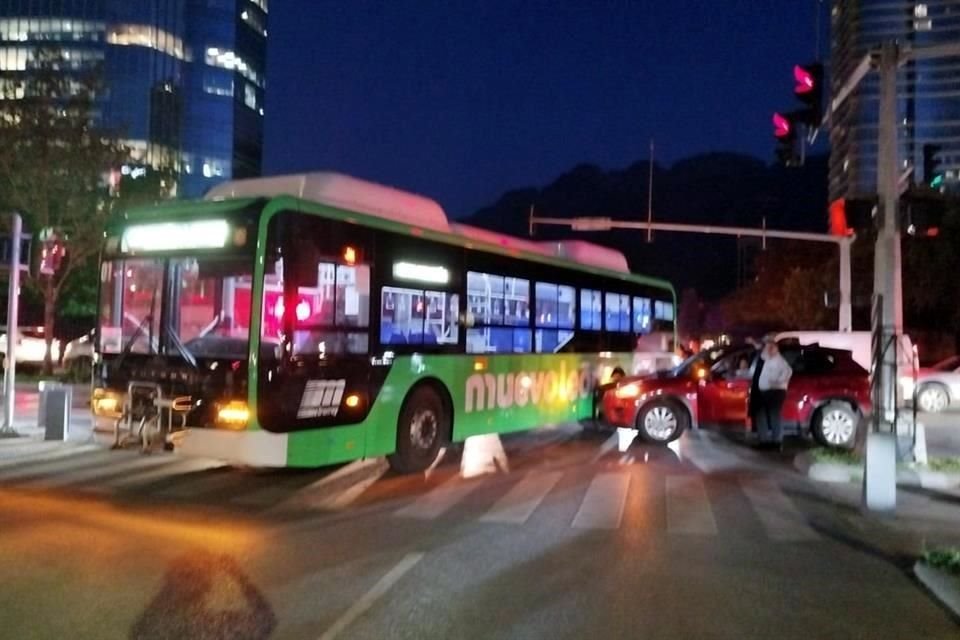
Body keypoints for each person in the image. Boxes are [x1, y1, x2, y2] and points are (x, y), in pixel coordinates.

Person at [752, 336, 793, 451]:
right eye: (768, 347)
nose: (769, 349)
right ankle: (764, 441)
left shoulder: (781, 362)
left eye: (772, 347)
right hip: (764, 391)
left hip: (776, 392)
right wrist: (759, 344)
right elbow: (762, 353)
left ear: (777, 349)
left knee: (774, 416)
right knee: (761, 415)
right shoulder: (767, 358)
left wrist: (774, 383)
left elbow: (787, 373)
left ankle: (777, 442)